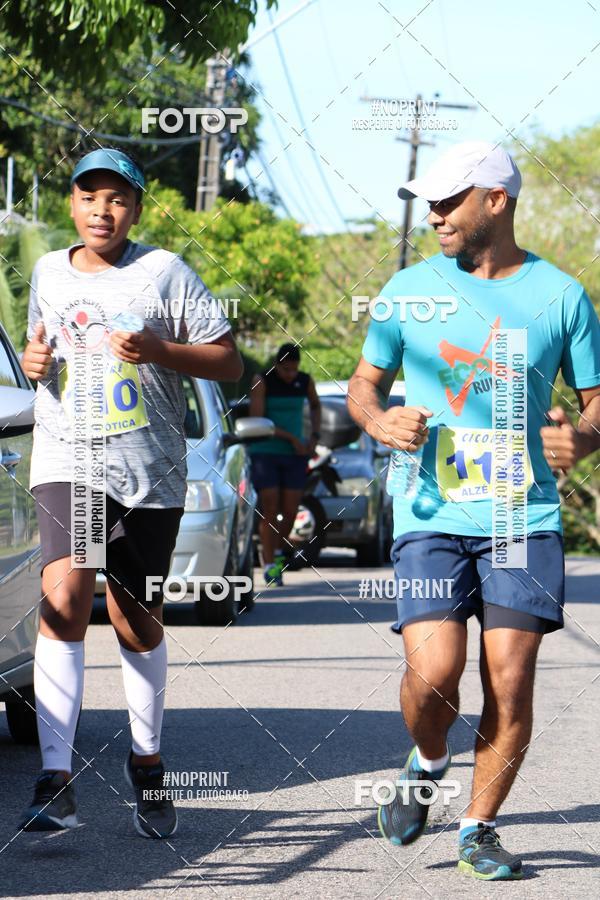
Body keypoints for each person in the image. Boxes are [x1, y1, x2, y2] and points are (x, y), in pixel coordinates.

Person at [347, 140, 600, 880]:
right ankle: (428, 761)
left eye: (448, 200)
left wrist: (581, 439)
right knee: (433, 678)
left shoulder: (561, 296)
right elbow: (365, 383)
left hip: (522, 517)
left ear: (497, 200)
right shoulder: (408, 290)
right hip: (431, 511)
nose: (433, 215)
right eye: (428, 202)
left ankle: (478, 829)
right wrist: (378, 421)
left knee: (511, 679)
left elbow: (595, 401)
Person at [19, 147, 243, 838]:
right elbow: (38, 354)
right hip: (73, 463)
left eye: (117, 198)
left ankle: (146, 759)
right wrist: (33, 364)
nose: (101, 210)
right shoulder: (48, 272)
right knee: (63, 600)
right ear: (73, 205)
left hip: (148, 473)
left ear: (137, 209)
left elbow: (229, 360)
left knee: (133, 619)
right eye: (89, 196)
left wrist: (160, 350)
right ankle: (57, 778)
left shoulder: (164, 273)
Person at [248, 343, 321, 585]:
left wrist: (314, 436)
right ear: (276, 365)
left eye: (293, 369)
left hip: (295, 454)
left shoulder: (305, 381)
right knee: (270, 508)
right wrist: (291, 438)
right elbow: (258, 420)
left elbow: (315, 405)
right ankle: (269, 565)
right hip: (266, 451)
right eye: (285, 369)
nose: (290, 375)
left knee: (290, 511)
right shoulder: (262, 381)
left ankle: (277, 550)